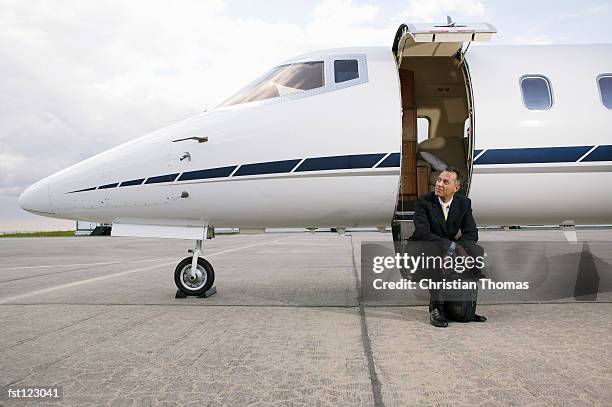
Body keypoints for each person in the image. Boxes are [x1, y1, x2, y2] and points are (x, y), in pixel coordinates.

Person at [409, 167, 487, 328]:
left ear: (456, 188)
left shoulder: (464, 203)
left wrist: (455, 249)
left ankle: (464, 308)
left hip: (447, 248)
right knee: (434, 253)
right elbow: (424, 234)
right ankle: (436, 306)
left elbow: (471, 233)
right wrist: (453, 248)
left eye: (445, 181)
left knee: (476, 251)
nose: (439, 184)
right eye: (438, 180)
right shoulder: (423, 202)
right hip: (423, 246)